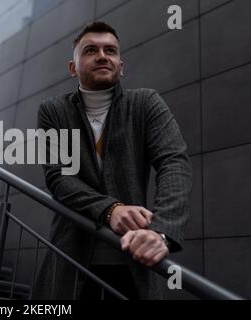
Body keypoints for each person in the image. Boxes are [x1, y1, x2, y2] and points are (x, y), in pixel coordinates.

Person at [33, 21, 192, 300]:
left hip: (134, 260)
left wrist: (162, 232)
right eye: (90, 50)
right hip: (72, 259)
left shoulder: (146, 103)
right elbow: (59, 177)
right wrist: (111, 210)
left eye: (110, 50)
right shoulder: (53, 111)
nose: (102, 55)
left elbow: (174, 163)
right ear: (73, 68)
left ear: (121, 65)